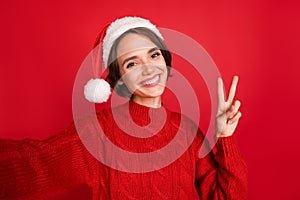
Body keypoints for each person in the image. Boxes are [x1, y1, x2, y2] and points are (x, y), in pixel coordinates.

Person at [0, 16, 247, 200]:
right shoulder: (96, 133)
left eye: (153, 55)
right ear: (118, 79)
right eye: (132, 63)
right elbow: (29, 164)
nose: (149, 69)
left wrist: (225, 138)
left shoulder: (187, 131)